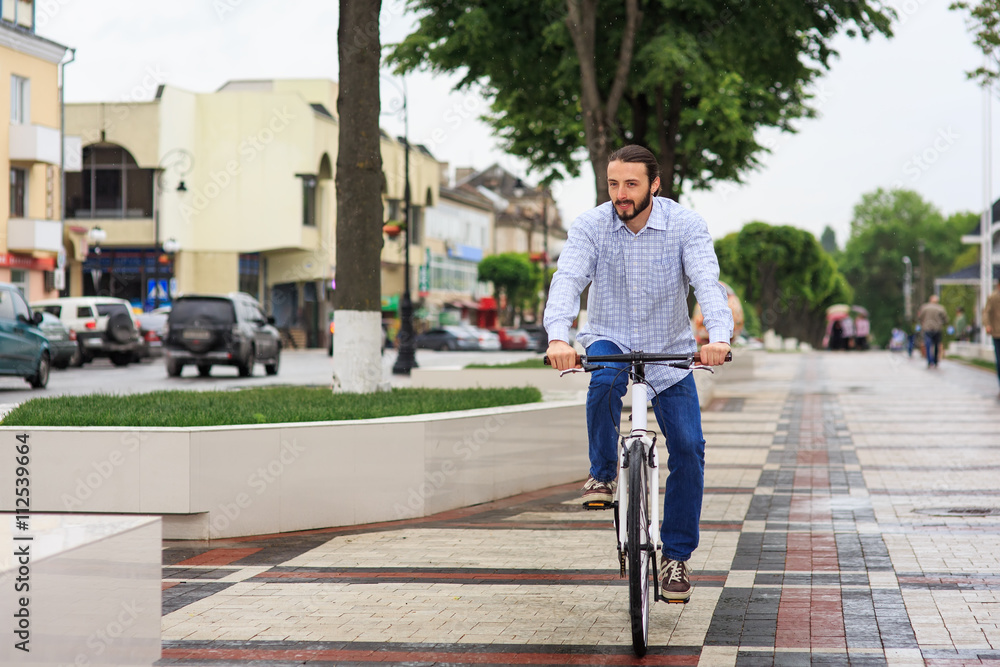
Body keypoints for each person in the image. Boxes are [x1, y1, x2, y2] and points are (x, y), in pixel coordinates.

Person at [544, 144, 733, 603]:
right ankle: (603, 474)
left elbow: (708, 281)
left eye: (631, 184)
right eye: (613, 184)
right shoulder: (591, 225)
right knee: (604, 378)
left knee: (689, 448)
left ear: (655, 184)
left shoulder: (686, 225)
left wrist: (719, 337)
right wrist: (557, 336)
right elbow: (567, 278)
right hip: (609, 336)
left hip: (671, 351)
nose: (620, 194)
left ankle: (676, 558)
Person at [916, 294, 948, 368]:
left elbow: (920, 317)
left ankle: (929, 361)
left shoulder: (924, 307)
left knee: (928, 344)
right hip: (937, 329)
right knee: (937, 345)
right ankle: (935, 360)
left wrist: (922, 323)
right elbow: (945, 319)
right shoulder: (941, 308)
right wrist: (942, 323)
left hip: (927, 328)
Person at [983, 282, 1000, 392]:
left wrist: (988, 325)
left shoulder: (992, 297)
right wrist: (988, 324)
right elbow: (986, 313)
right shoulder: (993, 297)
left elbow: (985, 313)